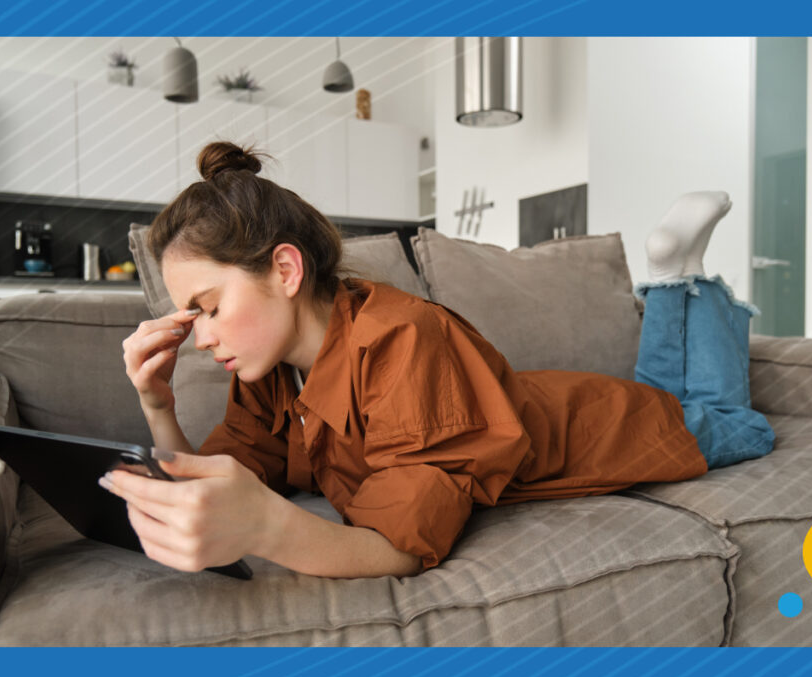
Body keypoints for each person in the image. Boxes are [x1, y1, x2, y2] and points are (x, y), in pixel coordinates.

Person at [106, 142, 775, 579]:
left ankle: (674, 275)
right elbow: (214, 483)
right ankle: (669, 275)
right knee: (672, 393)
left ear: (284, 268)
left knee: (731, 423)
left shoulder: (400, 338)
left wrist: (268, 525)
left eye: (210, 306)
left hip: (602, 428)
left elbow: (397, 547)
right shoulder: (267, 372)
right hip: (539, 399)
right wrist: (157, 404)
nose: (200, 337)